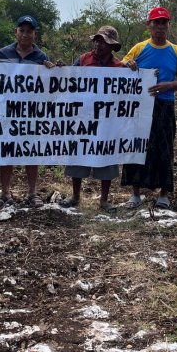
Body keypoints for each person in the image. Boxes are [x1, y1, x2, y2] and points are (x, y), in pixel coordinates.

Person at [0, 14, 57, 208]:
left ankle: (32, 192)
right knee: (7, 153)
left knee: (31, 153)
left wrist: (53, 69)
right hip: (7, 111)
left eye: (29, 31)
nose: (25, 34)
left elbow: (50, 82)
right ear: (16, 32)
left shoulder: (41, 57)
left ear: (35, 35)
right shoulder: (4, 53)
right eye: (21, 30)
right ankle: (5, 193)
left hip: (31, 112)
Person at [122, 7, 177, 209]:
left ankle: (163, 194)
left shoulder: (176, 51)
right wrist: (129, 64)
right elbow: (123, 63)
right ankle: (135, 193)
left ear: (168, 25)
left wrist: (167, 85)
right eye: (156, 23)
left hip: (165, 106)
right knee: (137, 146)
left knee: (164, 149)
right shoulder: (140, 48)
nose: (160, 27)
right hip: (140, 106)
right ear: (148, 25)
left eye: (164, 23)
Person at [59, 26, 125, 212]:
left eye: (103, 41)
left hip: (107, 119)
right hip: (83, 118)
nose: (99, 44)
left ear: (112, 46)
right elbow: (67, 81)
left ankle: (104, 200)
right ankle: (75, 196)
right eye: (97, 40)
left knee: (107, 156)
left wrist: (135, 73)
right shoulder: (83, 60)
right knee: (78, 154)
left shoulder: (119, 67)